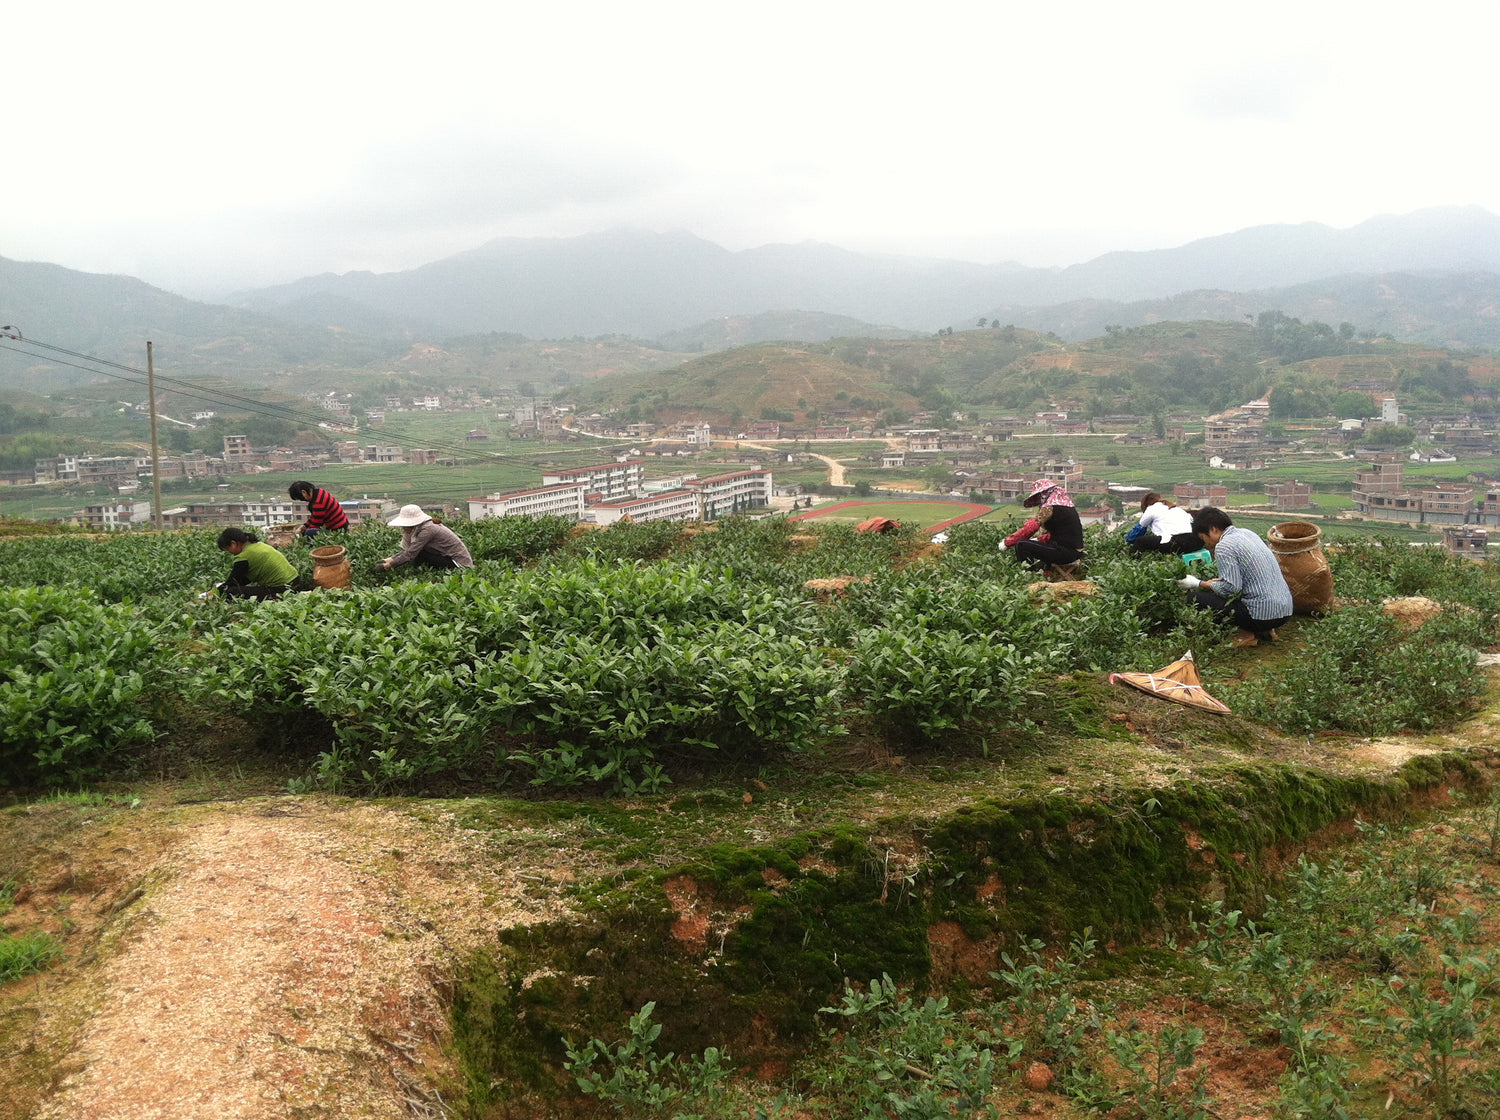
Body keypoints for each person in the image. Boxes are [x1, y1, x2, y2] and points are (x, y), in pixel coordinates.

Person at [1179, 507, 1293, 648]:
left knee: (1194, 598)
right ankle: (1267, 630)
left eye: (1203, 538)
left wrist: (1199, 583)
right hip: (1285, 612)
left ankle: (1245, 634)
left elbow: (1230, 589)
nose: (1206, 543)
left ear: (1213, 529)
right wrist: (1216, 583)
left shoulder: (1224, 546)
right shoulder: (1248, 533)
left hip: (1261, 617)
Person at [998, 479, 1085, 573]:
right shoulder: (1065, 505)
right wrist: (1038, 540)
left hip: (1065, 553)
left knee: (1021, 545)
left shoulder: (1049, 508)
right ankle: (1042, 571)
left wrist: (1007, 542)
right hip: (1073, 551)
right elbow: (1060, 534)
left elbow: (1030, 528)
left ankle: (1029, 575)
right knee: (1037, 545)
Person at [374, 505, 474, 572]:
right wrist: (386, 560)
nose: (403, 527)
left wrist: (386, 566)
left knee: (419, 554)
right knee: (418, 553)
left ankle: (417, 574)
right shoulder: (421, 528)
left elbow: (410, 554)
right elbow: (408, 550)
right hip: (446, 558)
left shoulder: (428, 530)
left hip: (459, 564)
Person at [216, 527, 297, 600]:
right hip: (295, 583)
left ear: (233, 543)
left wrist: (212, 593)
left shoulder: (243, 557)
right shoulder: (259, 545)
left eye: (227, 549)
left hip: (282, 590)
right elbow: (242, 580)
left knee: (230, 591)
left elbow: (231, 583)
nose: (229, 552)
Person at [1128, 492, 1198, 555]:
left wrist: (1129, 540)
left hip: (1176, 543)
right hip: (1194, 542)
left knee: (1140, 542)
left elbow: (1139, 529)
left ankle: (1132, 563)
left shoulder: (1151, 509)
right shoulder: (1176, 508)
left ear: (1147, 504)